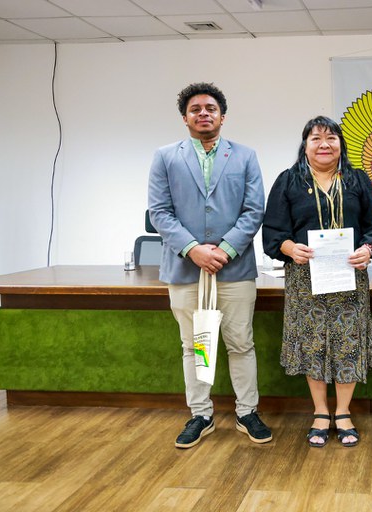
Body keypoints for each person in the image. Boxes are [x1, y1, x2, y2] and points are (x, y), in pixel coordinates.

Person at [148, 82, 272, 449]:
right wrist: (193, 249)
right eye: (196, 109)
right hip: (186, 270)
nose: (204, 113)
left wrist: (225, 250)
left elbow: (254, 211)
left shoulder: (245, 156)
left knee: (240, 343)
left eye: (211, 108)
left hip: (234, 270)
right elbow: (159, 212)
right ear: (185, 118)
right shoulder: (165, 157)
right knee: (196, 344)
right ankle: (200, 415)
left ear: (223, 116)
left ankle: (247, 412)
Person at [262, 116, 372, 448]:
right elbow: (273, 232)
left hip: (349, 276)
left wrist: (368, 248)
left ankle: (343, 412)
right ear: (305, 145)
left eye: (331, 137)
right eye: (316, 138)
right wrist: (289, 247)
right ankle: (320, 412)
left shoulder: (358, 180)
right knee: (313, 343)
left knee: (348, 342)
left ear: (341, 144)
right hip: (305, 278)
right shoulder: (288, 181)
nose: (324, 144)